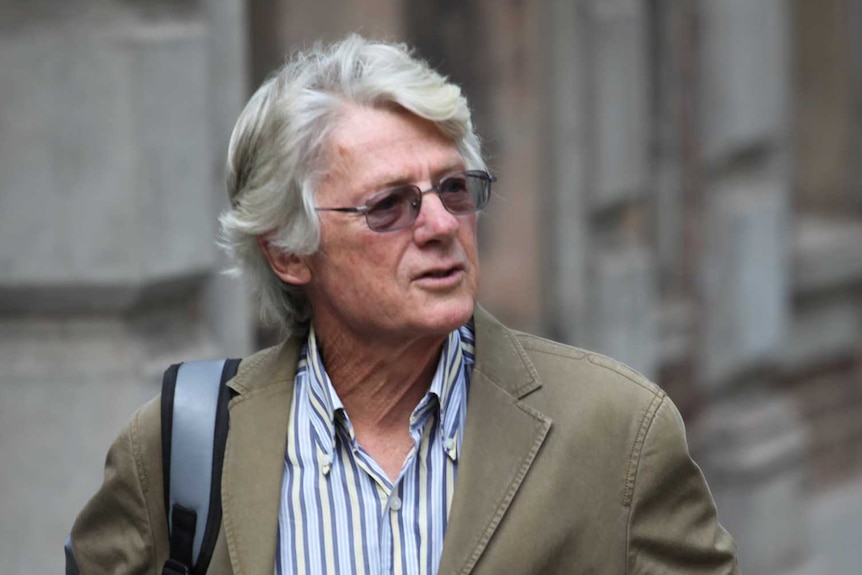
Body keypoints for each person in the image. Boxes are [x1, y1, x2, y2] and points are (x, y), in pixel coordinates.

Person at [69, 35, 739, 574]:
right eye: (389, 205)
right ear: (289, 252)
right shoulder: (178, 447)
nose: (442, 224)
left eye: (452, 188)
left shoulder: (618, 430)